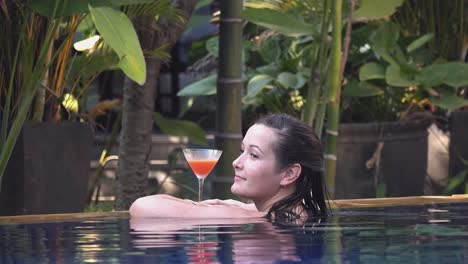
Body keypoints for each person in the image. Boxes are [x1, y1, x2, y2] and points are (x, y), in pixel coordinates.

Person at [130, 113, 328, 220]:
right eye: (242, 151)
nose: (236, 162)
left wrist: (244, 213)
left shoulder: (251, 217)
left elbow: (142, 207)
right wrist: (244, 207)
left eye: (254, 155)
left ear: (289, 174)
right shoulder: (302, 214)